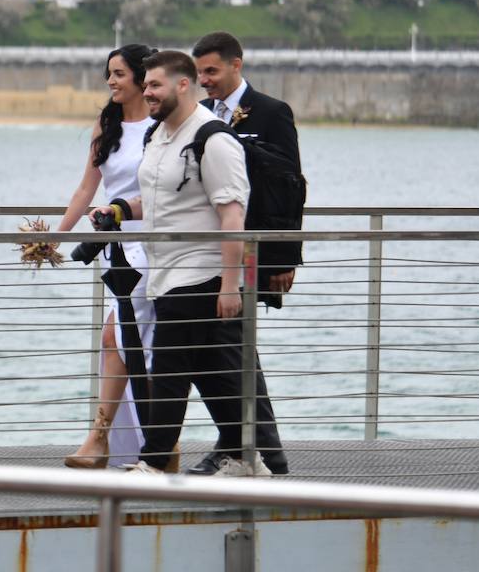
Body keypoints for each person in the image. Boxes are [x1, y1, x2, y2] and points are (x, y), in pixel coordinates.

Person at [103, 50, 276, 477]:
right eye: (145, 86)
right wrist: (122, 208)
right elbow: (161, 199)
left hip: (201, 272)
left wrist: (230, 286)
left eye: (155, 85)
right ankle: (250, 455)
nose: (148, 93)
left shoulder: (214, 139)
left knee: (169, 369)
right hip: (163, 273)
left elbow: (233, 215)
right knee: (214, 371)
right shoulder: (158, 138)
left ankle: (153, 462)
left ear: (183, 84)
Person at [189, 30, 298, 476]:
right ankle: (248, 446)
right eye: (198, 74)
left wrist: (285, 258)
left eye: (211, 71)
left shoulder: (272, 112)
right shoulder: (195, 115)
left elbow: (290, 189)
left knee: (235, 350)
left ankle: (252, 449)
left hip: (252, 252)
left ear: (237, 64)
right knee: (223, 352)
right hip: (202, 251)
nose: (204, 81)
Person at [55, 44, 163, 470]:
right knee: (135, 345)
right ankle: (152, 444)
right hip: (120, 248)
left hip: (157, 247)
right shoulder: (109, 122)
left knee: (120, 339)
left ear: (141, 77)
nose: (111, 82)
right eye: (108, 74)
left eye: (118, 74)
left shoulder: (164, 124)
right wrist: (57, 237)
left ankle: (102, 439)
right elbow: (87, 187)